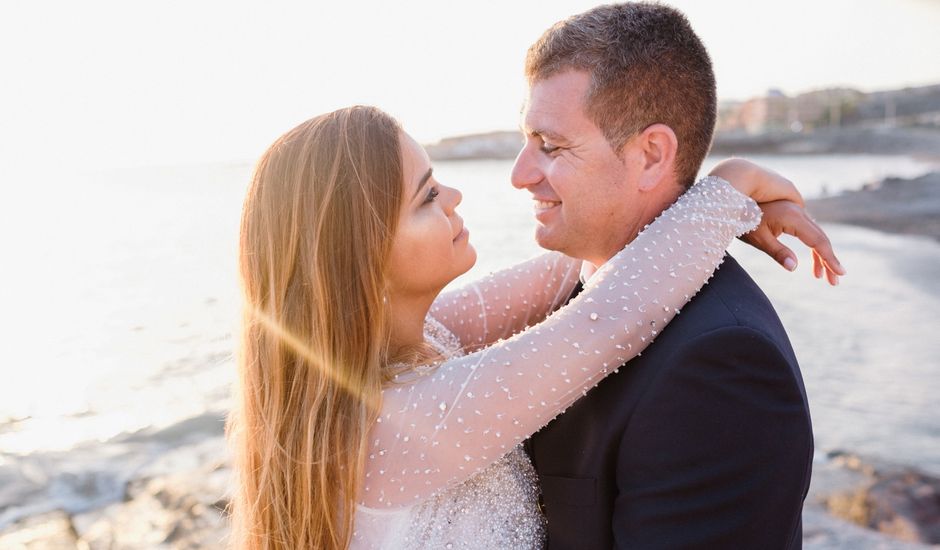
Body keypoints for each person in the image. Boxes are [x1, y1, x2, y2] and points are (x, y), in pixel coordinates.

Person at [226, 104, 842, 549]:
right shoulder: (391, 421)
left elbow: (576, 261)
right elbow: (609, 320)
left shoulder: (417, 344)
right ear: (358, 262)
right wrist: (729, 187)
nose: (456, 196)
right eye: (425, 198)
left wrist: (666, 197)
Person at [513, 4, 832, 548]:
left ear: (652, 156)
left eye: (552, 146)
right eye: (526, 141)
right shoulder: (566, 288)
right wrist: (726, 190)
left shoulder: (721, 367)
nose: (520, 175)